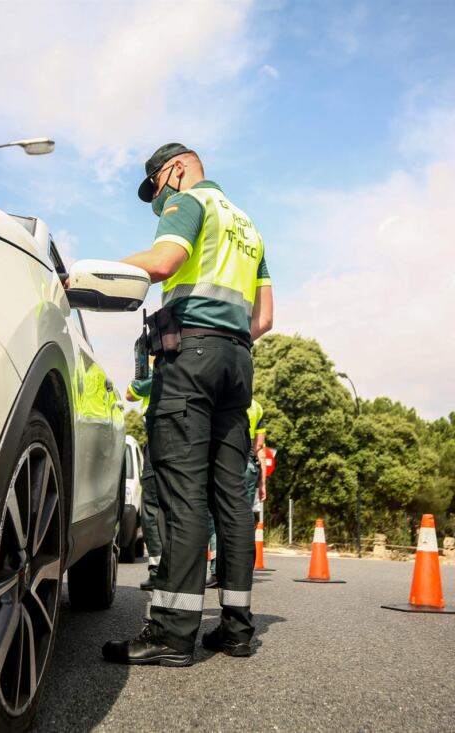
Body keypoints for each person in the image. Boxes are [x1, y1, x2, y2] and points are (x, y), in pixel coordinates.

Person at [102, 143, 273, 666]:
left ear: (173, 170)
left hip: (190, 359)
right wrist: (225, 341)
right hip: (237, 365)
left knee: (180, 494)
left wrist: (93, 271)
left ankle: (173, 634)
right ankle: (237, 629)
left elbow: (162, 262)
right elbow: (263, 319)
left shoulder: (189, 202)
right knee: (231, 501)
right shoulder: (248, 227)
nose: (158, 202)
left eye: (156, 190)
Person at [206, 398, 268, 580]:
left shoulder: (221, 400)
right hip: (248, 466)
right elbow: (259, 449)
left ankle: (217, 569)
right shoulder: (257, 407)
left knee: (216, 515)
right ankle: (242, 569)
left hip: (224, 461)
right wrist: (262, 483)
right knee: (243, 517)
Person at [125, 365, 162, 592]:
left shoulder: (158, 365)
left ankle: (158, 569)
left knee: (152, 506)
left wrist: (147, 369)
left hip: (161, 437)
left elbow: (130, 393)